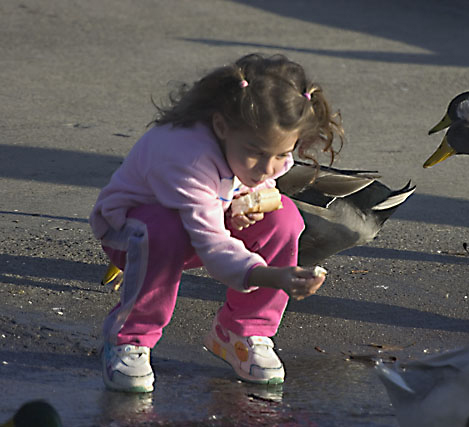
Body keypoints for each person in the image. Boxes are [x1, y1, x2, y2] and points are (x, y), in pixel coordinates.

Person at [89, 53, 345, 393]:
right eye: (256, 151)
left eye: (282, 154)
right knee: (163, 229)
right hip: (132, 232)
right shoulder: (187, 157)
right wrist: (274, 276)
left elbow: (263, 185)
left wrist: (253, 199)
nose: (268, 167)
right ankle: (128, 337)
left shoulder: (258, 148)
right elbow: (212, 245)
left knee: (283, 218)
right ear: (222, 126)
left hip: (202, 224)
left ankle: (241, 332)